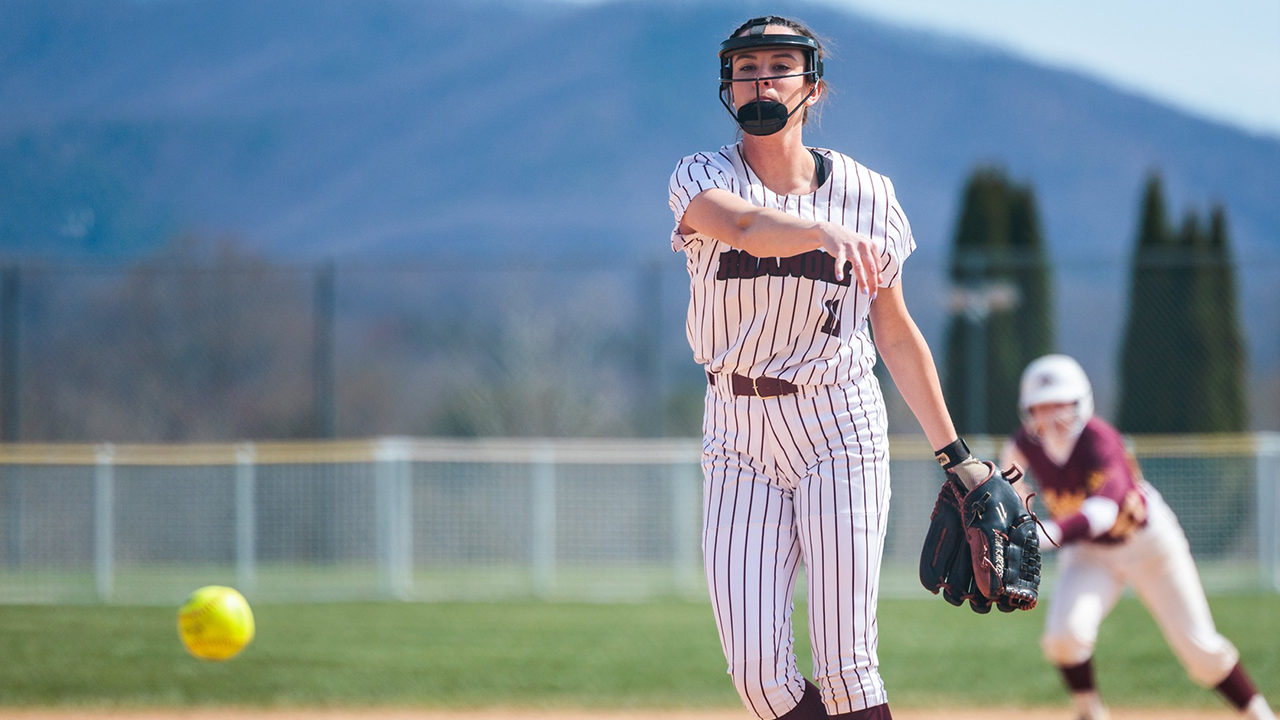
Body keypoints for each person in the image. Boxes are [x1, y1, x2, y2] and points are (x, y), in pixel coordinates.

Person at [666, 15, 1023, 720]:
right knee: (759, 680)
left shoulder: (869, 194)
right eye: (746, 68)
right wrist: (815, 228)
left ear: (813, 87)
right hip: (736, 429)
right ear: (727, 87)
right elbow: (741, 229)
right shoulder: (700, 175)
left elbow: (893, 331)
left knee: (845, 663)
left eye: (778, 65)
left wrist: (956, 456)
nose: (760, 78)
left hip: (839, 423)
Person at [1000, 354, 1276, 720]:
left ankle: (1260, 714)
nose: (1050, 416)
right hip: (1090, 553)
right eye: (1041, 406)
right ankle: (1089, 713)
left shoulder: (1100, 440)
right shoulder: (1023, 445)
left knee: (1200, 650)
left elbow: (1103, 511)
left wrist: (1041, 535)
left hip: (1149, 544)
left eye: (1060, 404)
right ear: (1027, 411)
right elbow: (1010, 492)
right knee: (1064, 638)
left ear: (1081, 403)